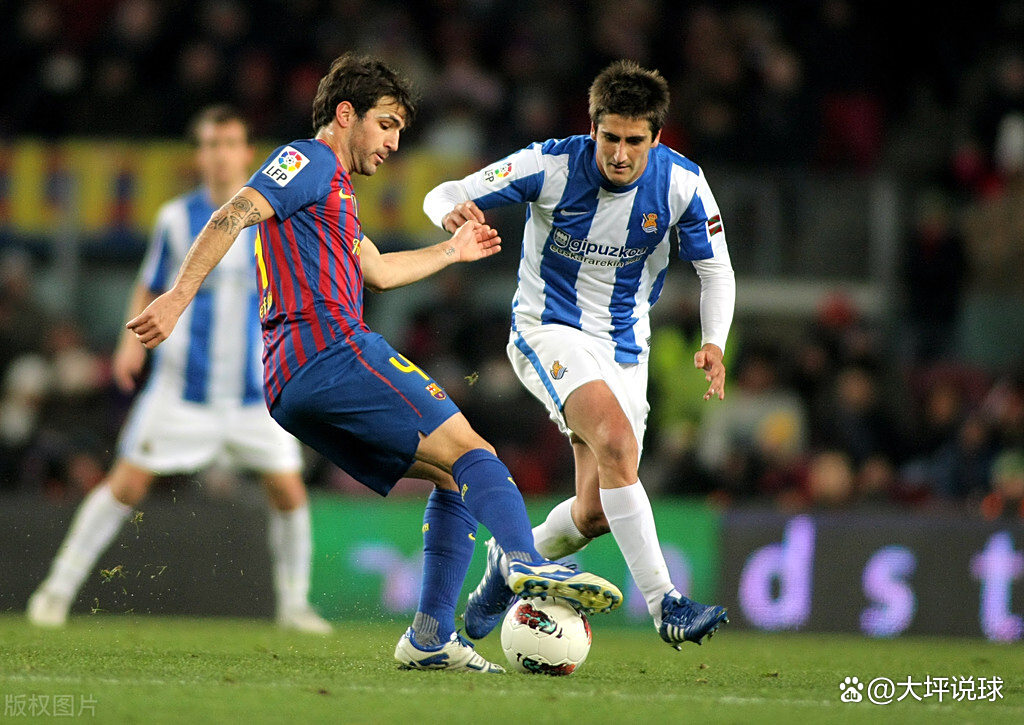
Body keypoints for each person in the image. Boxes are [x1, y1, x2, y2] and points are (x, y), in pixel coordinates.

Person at [125, 54, 623, 674]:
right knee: (477, 454)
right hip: (328, 349)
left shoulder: (334, 193)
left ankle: (431, 636)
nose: (392, 143)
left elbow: (379, 271)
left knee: (452, 477)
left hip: (290, 380)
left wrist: (452, 250)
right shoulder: (307, 161)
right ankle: (523, 562)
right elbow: (231, 214)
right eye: (385, 125)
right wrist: (175, 299)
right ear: (344, 114)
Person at [423, 59, 735, 649]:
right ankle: (666, 603)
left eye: (634, 141)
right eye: (610, 138)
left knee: (594, 512)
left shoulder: (682, 183)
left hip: (626, 346)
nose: (620, 154)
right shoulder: (550, 163)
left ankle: (505, 564)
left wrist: (713, 340)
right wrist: (450, 213)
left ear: (656, 137)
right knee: (616, 443)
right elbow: (448, 190)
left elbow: (716, 270)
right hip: (548, 329)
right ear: (592, 128)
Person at [27, 107, 332, 634]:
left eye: (229, 143)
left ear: (245, 151)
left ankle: (294, 604)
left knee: (289, 491)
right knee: (124, 486)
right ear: (199, 155)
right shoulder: (175, 217)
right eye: (210, 144)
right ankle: (55, 591)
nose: (219, 154)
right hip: (180, 392)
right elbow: (150, 282)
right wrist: (130, 345)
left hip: (252, 395)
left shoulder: (274, 216)